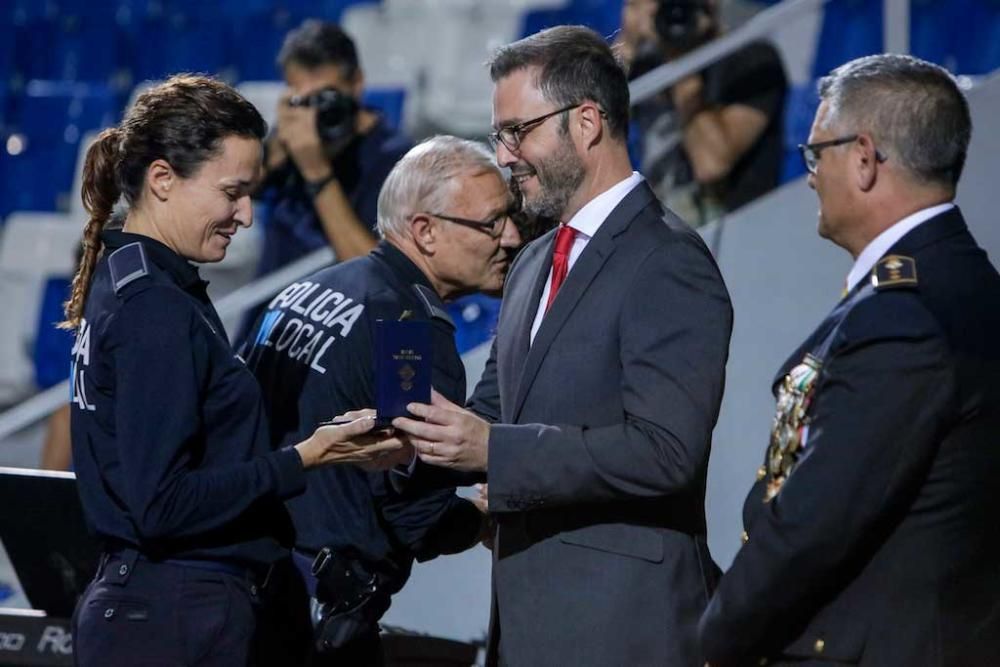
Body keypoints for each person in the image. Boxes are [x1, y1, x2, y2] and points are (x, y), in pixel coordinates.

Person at [391, 25, 734, 666]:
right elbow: (493, 413)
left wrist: (495, 449)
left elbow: (665, 453)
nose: (504, 156)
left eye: (517, 132)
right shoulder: (532, 260)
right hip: (529, 626)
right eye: (499, 135)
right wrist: (404, 442)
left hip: (625, 628)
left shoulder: (667, 260)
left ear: (586, 122)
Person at [64, 75, 405, 667]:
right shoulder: (155, 309)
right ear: (163, 180)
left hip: (154, 608)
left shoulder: (137, 281)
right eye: (231, 193)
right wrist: (308, 456)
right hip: (174, 615)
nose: (246, 215)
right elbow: (164, 504)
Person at [699, 54, 1000, 666]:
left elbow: (812, 527)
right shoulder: (959, 286)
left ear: (864, 158)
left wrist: (709, 642)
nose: (810, 176)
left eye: (817, 155)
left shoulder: (904, 318)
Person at [242, 135, 521, 665]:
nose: (509, 238)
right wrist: (484, 523)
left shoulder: (307, 290)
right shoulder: (408, 334)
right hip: (316, 620)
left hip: (253, 591)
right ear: (425, 231)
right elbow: (414, 515)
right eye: (491, 224)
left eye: (510, 218)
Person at [255, 19, 413, 274]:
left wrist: (316, 171)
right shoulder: (291, 137)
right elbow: (240, 193)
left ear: (357, 83)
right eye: (304, 100)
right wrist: (271, 157)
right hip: (272, 303)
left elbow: (378, 274)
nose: (315, 114)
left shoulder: (397, 159)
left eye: (325, 98)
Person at [618, 0, 787, 227]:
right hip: (658, 232)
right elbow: (589, 124)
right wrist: (628, 46)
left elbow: (711, 165)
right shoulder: (647, 64)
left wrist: (680, 62)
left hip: (735, 234)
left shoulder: (753, 60)